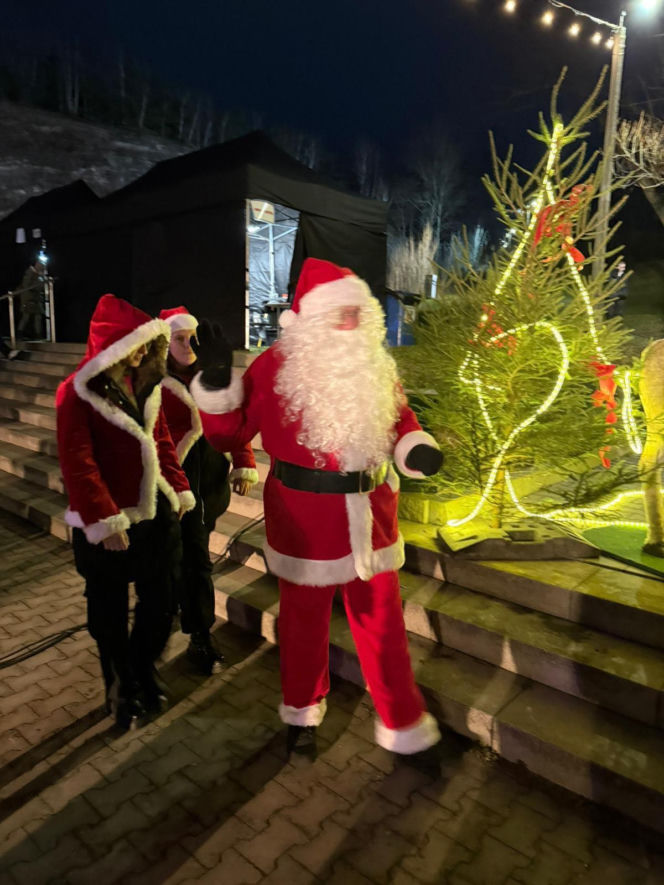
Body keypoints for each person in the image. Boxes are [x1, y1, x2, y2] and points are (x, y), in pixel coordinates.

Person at [190, 258, 444, 760]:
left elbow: (401, 421)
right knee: (303, 624)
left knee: (384, 626)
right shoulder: (276, 366)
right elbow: (230, 435)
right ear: (308, 318)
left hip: (372, 518)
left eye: (356, 312)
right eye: (339, 312)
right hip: (304, 519)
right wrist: (217, 384)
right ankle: (302, 709)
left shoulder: (377, 368)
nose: (349, 322)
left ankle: (403, 722)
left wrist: (414, 446)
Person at [56, 294, 195, 729]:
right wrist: (105, 518)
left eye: (145, 343)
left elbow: (163, 445)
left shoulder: (145, 384)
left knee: (163, 601)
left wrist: (181, 490)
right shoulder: (76, 392)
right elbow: (78, 460)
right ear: (112, 345)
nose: (140, 352)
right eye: (134, 343)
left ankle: (140, 669)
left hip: (154, 513)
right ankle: (120, 687)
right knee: (108, 612)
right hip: (109, 523)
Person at [159, 306, 258, 674]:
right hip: (172, 489)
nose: (187, 345)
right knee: (188, 559)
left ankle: (187, 618)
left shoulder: (209, 377)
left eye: (191, 338)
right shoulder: (154, 379)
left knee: (194, 557)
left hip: (210, 485)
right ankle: (198, 631)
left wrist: (244, 460)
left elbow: (233, 416)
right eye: (178, 339)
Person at [16, 257, 47, 340]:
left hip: (36, 299)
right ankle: (19, 334)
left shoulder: (40, 275)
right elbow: (27, 285)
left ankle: (38, 334)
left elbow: (41, 287)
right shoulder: (30, 272)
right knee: (26, 317)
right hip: (28, 298)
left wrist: (43, 277)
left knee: (38, 317)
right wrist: (39, 279)